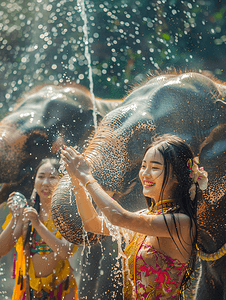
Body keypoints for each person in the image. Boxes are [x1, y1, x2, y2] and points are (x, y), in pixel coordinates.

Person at [60, 134, 208, 299]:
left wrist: (86, 175)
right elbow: (92, 224)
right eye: (143, 166)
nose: (145, 173)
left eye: (155, 167)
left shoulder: (181, 223)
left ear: (176, 176)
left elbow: (118, 217)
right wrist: (77, 181)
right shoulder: (145, 217)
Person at [2, 158, 78, 300]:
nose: (45, 183)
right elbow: (2, 249)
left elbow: (65, 251)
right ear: (35, 181)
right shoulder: (26, 213)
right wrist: (15, 216)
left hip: (61, 290)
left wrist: (38, 225)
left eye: (52, 177)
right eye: (41, 177)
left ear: (62, 182)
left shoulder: (68, 214)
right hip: (29, 291)